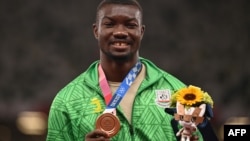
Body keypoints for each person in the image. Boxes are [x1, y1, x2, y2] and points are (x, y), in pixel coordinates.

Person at [46, 0, 219, 141]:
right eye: (110, 24)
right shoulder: (67, 101)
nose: (120, 32)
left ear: (141, 32)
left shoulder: (179, 94)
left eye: (130, 25)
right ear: (96, 31)